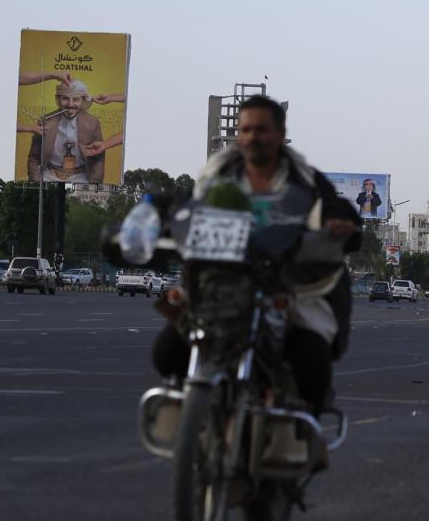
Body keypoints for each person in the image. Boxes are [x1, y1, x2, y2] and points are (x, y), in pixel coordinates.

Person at [151, 95, 362, 415]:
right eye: (246, 129)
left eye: (261, 129)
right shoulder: (217, 175)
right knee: (167, 354)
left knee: (312, 360)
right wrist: (158, 224)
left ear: (280, 134)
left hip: (283, 283)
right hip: (218, 283)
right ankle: (189, 415)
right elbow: (188, 209)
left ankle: (303, 427)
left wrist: (339, 223)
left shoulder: (305, 179)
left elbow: (332, 206)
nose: (253, 137)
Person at [26, 79, 106, 183]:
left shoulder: (93, 122)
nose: (70, 104)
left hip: (81, 176)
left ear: (82, 101)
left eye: (76, 99)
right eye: (65, 98)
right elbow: (34, 155)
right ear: (58, 99)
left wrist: (95, 183)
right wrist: (34, 180)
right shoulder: (45, 121)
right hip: (49, 175)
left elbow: (98, 158)